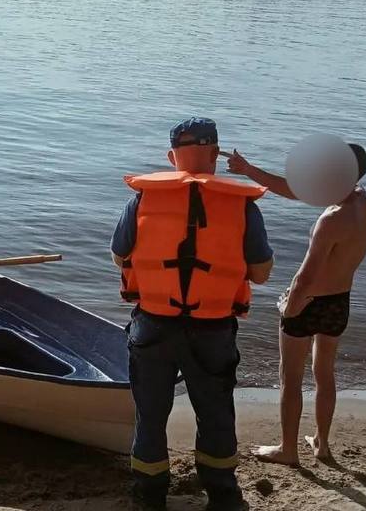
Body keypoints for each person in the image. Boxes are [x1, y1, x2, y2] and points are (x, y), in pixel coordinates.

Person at [112, 118, 274, 511]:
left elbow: (120, 255)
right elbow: (262, 273)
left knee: (150, 417)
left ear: (172, 157)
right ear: (215, 156)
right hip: (213, 329)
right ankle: (223, 496)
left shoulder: (143, 199)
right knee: (215, 414)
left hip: (152, 324)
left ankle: (149, 497)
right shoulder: (242, 205)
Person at [226, 145, 366, 465]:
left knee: (290, 377)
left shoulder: (331, 220)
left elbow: (307, 275)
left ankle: (288, 450)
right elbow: (294, 190)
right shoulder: (361, 200)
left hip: (308, 302)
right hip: (339, 301)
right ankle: (321, 445)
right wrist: (249, 170)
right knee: (324, 374)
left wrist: (291, 306)